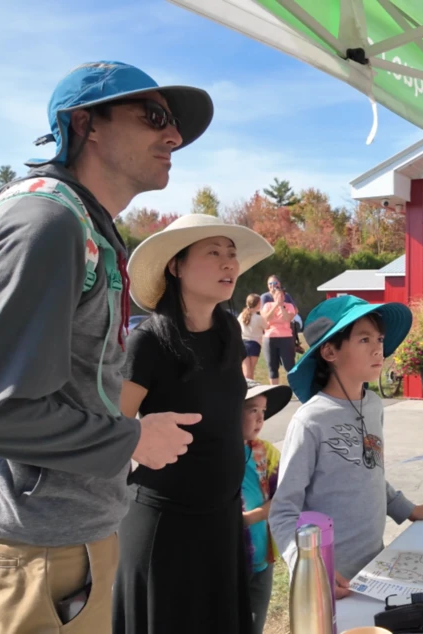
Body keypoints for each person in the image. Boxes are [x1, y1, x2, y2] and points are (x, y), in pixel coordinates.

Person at [0, 61, 213, 633]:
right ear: (86, 124)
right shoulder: (45, 223)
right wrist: (133, 437)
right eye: (155, 117)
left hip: (69, 543)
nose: (174, 137)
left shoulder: (81, 225)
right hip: (42, 554)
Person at [114, 214, 274, 634]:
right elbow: (113, 428)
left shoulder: (228, 332)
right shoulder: (148, 341)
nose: (229, 264)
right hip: (165, 527)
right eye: (213, 253)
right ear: (176, 265)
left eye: (232, 255)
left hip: (221, 521)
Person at [269, 295, 423, 594]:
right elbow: (283, 511)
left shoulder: (374, 405)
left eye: (379, 338)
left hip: (374, 568)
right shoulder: (310, 421)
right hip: (328, 579)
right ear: (329, 351)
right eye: (363, 339)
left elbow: (371, 471)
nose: (379, 348)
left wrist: (408, 509)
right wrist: (309, 568)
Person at [239, 380, 292, 634]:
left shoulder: (266, 453)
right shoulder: (215, 455)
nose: (260, 419)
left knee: (254, 623)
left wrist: (251, 518)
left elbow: (285, 495)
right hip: (230, 561)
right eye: (252, 410)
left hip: (263, 558)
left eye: (263, 411)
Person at [260, 275, 298, 386]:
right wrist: (275, 305)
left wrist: (281, 306)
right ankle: (274, 390)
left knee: (289, 366)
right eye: (270, 284)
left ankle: (294, 389)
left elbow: (288, 318)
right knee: (272, 367)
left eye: (281, 296)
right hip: (270, 337)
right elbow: (266, 318)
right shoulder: (267, 304)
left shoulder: (289, 306)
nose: (279, 298)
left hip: (286, 337)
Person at [239, 294, 266, 379]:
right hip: (254, 344)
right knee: (250, 372)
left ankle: (246, 388)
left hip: (242, 343)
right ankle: (250, 389)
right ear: (258, 304)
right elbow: (267, 326)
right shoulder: (258, 318)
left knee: (246, 370)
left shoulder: (241, 315)